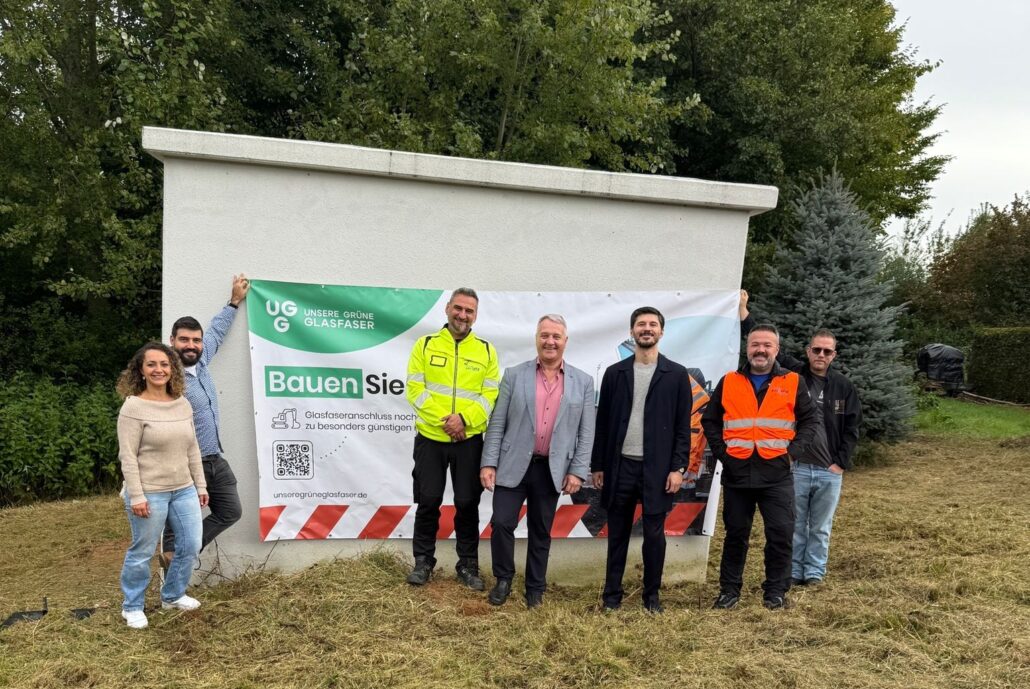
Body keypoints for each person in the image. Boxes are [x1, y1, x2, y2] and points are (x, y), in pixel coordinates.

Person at [738, 291, 861, 586]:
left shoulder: (844, 387)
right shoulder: (793, 375)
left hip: (829, 471)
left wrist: (840, 464)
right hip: (795, 467)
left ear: (834, 355)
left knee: (820, 526)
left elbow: (852, 428)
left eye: (827, 352)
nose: (821, 355)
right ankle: (793, 572)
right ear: (808, 351)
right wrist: (743, 310)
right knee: (793, 525)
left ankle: (815, 572)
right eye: (816, 350)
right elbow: (763, 345)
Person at [480, 315, 595, 608]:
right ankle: (504, 579)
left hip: (551, 470)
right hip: (512, 465)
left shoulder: (583, 382)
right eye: (544, 335)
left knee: (540, 530)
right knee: (502, 523)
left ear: (565, 342)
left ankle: (535, 588)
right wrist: (488, 463)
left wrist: (578, 471)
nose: (550, 342)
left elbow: (586, 432)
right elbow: (497, 423)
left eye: (556, 336)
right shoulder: (514, 375)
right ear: (536, 339)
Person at [702, 322, 819, 610]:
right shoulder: (729, 381)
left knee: (780, 534)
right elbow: (710, 421)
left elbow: (810, 421)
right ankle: (729, 591)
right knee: (736, 535)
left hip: (776, 474)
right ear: (747, 348)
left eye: (767, 345)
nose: (761, 350)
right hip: (737, 472)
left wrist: (792, 454)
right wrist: (723, 454)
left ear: (777, 349)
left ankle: (775, 591)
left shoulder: (792, 381)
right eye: (755, 344)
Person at [590, 307, 694, 613]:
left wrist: (678, 468)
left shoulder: (676, 375)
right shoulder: (614, 373)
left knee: (654, 536)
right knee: (617, 534)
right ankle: (612, 597)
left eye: (652, 324)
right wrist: (598, 465)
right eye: (640, 324)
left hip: (658, 470)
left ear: (661, 332)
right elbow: (604, 423)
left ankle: (652, 597)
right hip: (620, 466)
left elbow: (682, 426)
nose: (646, 329)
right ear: (632, 331)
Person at [405, 288, 501, 589]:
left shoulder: (486, 350)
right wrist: (448, 421)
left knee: (467, 502)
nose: (462, 315)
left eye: (469, 311)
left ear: (476, 315)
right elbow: (415, 390)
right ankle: (423, 562)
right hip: (431, 439)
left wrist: (465, 420)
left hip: (468, 441)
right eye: (458, 308)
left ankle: (468, 565)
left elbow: (490, 395)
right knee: (429, 500)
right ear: (447, 309)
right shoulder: (425, 345)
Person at [116, 343, 208, 629]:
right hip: (148, 492)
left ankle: (172, 595)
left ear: (173, 369)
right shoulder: (133, 407)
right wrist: (138, 496)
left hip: (183, 489)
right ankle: (131, 606)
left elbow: (192, 448)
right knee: (142, 551)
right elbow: (127, 456)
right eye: (152, 365)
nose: (159, 370)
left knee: (191, 544)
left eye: (165, 364)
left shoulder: (182, 403)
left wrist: (200, 486)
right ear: (141, 371)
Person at [161, 274, 250, 564]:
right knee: (177, 522)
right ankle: (173, 567)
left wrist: (234, 302)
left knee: (230, 510)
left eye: (195, 340)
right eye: (184, 339)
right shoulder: (166, 379)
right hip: (185, 463)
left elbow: (215, 332)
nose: (191, 345)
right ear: (172, 341)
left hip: (214, 458)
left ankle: (181, 554)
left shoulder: (200, 360)